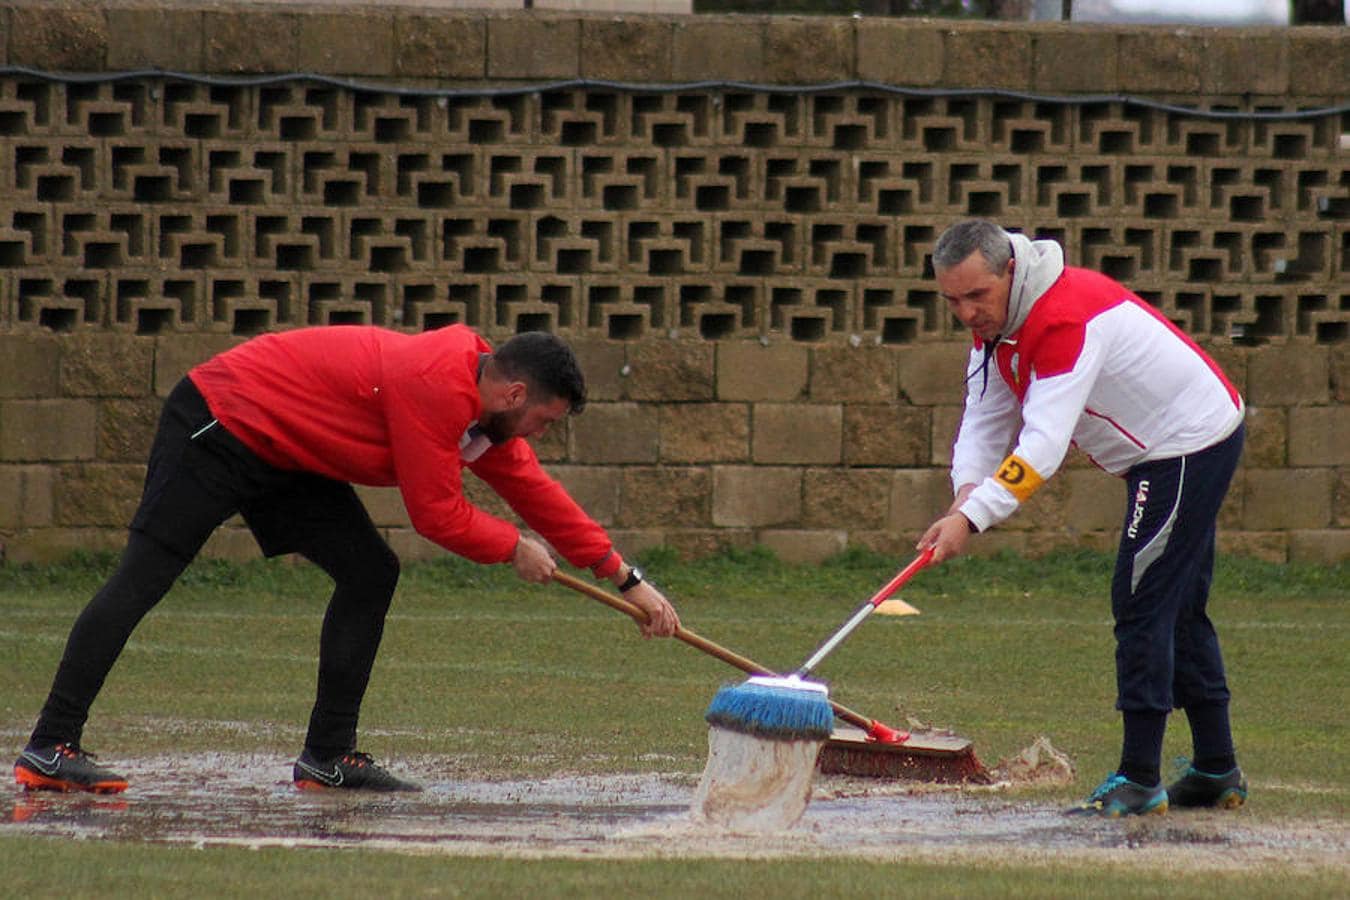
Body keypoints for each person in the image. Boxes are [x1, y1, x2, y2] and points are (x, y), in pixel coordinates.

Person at [14, 324, 680, 794]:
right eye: (544, 419)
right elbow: (437, 515)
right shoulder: (436, 385)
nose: (540, 433)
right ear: (513, 396)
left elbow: (537, 493)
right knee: (146, 575)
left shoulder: (484, 409)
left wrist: (629, 581)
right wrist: (512, 548)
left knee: (370, 572)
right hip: (220, 422)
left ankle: (328, 758)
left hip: (287, 451)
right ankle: (51, 747)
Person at [917, 218, 1248, 817]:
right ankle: (1215, 767)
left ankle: (1139, 778)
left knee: (1142, 598)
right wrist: (965, 497)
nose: (966, 313)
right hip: (1163, 451)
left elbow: (1042, 448)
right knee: (1175, 605)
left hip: (1187, 442)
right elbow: (985, 419)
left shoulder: (1065, 317)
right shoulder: (998, 327)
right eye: (952, 301)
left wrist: (973, 521)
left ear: (1009, 272)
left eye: (976, 296)